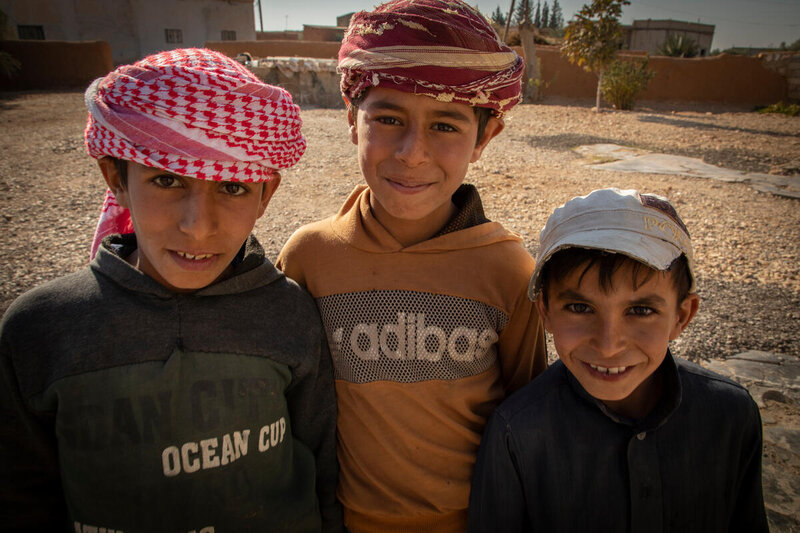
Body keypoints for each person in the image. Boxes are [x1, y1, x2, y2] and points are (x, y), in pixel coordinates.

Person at [0, 48, 342, 532]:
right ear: (116, 178)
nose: (198, 227)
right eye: (166, 179)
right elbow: (22, 496)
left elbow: (324, 475)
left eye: (232, 187)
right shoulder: (40, 331)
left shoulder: (291, 314)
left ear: (267, 194)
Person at [276, 1, 548, 530]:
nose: (412, 152)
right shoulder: (310, 257)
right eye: (388, 118)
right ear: (352, 121)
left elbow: (527, 412)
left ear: (484, 138)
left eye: (445, 125)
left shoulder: (508, 270)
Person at [468, 188, 768, 532]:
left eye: (641, 310)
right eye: (580, 308)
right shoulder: (516, 432)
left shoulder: (730, 415)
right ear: (545, 312)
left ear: (682, 316)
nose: (609, 345)